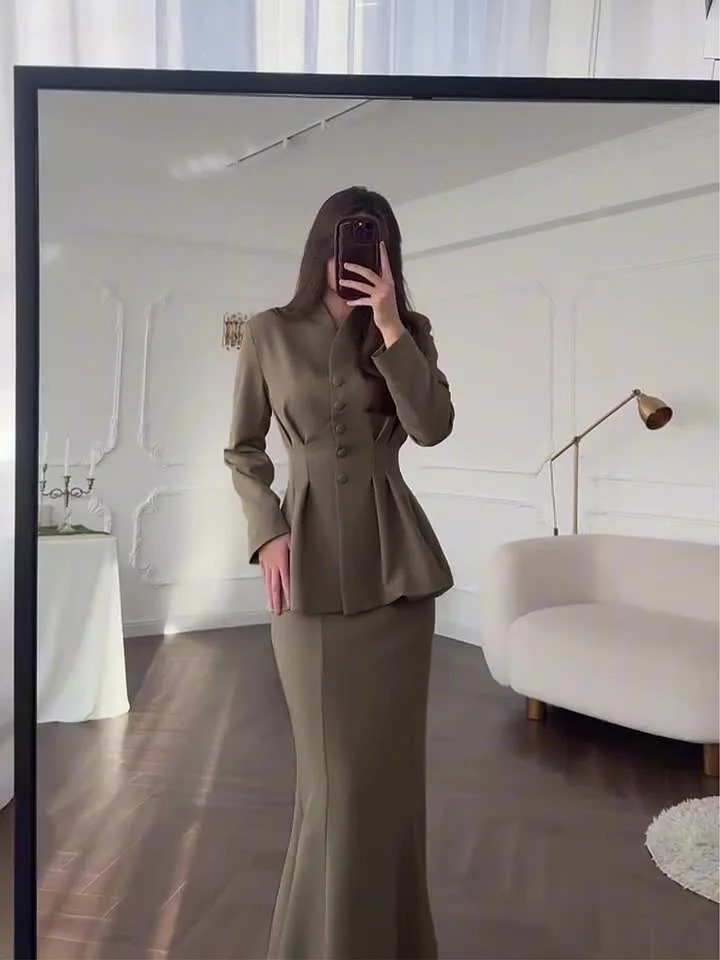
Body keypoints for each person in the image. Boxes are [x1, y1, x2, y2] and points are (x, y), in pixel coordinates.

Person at [224, 186, 454, 960]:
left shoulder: (408, 332)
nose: (350, 255)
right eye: (342, 239)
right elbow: (243, 448)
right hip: (309, 569)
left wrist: (390, 326)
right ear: (319, 246)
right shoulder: (269, 331)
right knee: (335, 784)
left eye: (370, 242)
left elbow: (432, 428)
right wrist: (267, 530)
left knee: (390, 786)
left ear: (388, 256)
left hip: (398, 579)